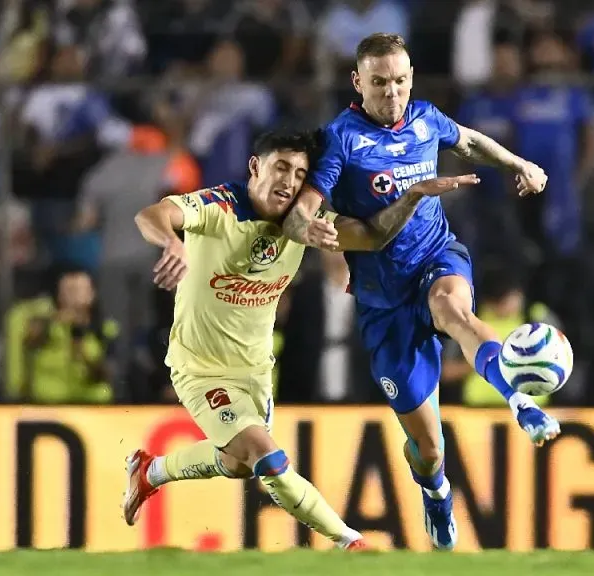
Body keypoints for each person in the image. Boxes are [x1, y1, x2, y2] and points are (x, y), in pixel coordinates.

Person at [123, 129, 475, 550]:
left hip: (255, 370)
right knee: (267, 458)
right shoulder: (218, 206)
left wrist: (412, 196)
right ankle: (350, 544)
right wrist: (172, 243)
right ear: (256, 167)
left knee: (237, 463)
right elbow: (152, 215)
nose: (289, 181)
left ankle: (150, 472)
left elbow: (372, 235)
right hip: (200, 368)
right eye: (281, 167)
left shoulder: (304, 223)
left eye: (300, 173)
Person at [281, 33, 559, 550]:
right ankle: (435, 489)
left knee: (453, 309)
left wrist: (518, 164)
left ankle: (520, 401)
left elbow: (471, 141)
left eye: (401, 81)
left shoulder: (426, 118)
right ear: (357, 82)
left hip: (437, 256)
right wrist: (308, 228)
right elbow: (305, 207)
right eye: (381, 82)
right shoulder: (340, 138)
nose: (393, 93)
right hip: (384, 300)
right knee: (428, 450)